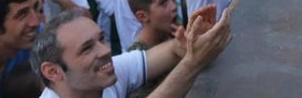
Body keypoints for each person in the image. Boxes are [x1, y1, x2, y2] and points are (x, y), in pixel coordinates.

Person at [30, 5, 231, 98]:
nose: (106, 51)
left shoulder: (103, 71)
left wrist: (189, 42)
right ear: (53, 72)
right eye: (86, 48)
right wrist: (193, 62)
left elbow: (169, 52)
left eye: (101, 39)